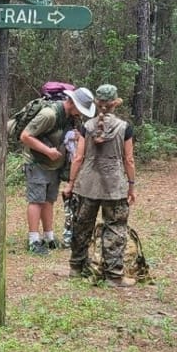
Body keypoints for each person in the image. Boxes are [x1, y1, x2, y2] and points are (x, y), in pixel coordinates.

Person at [62, 83, 137, 287]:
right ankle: (114, 275)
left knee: (82, 224)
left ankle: (76, 268)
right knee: (115, 227)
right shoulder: (125, 128)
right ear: (115, 104)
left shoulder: (86, 127)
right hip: (114, 186)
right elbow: (128, 160)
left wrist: (70, 184)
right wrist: (131, 185)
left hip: (87, 184)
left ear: (96, 103)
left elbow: (78, 158)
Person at [20, 86, 96, 255]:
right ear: (72, 103)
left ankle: (49, 237)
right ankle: (33, 240)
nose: (81, 113)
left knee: (49, 201)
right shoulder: (49, 115)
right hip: (37, 163)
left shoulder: (70, 118)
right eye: (80, 109)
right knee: (36, 201)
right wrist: (47, 151)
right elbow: (25, 136)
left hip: (54, 166)